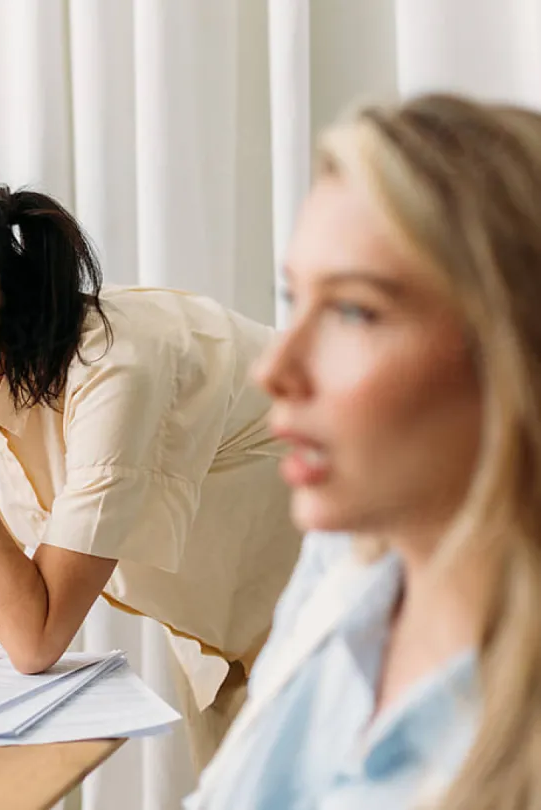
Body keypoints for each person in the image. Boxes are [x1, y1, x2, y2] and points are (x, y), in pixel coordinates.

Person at [0, 152, 301, 770]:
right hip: (225, 640)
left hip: (350, 613)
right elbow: (11, 588)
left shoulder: (113, 370)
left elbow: (34, 638)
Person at [186, 94, 541, 808]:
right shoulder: (342, 571)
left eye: (354, 310)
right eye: (293, 300)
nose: (274, 370)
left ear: (514, 349)